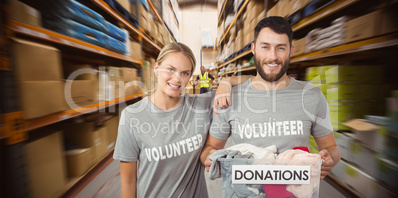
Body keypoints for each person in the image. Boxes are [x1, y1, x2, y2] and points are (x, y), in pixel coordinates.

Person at [200, 16, 341, 180]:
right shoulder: (230, 97)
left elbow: (331, 148)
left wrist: (329, 158)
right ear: (253, 49)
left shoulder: (312, 96)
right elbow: (210, 148)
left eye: (280, 48)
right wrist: (211, 158)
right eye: (265, 47)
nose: (272, 56)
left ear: (291, 51)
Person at [113, 42, 250, 198]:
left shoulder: (200, 105)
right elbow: (128, 181)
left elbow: (254, 81)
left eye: (185, 73)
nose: (177, 78)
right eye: (171, 69)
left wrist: (226, 82)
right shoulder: (132, 116)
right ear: (156, 68)